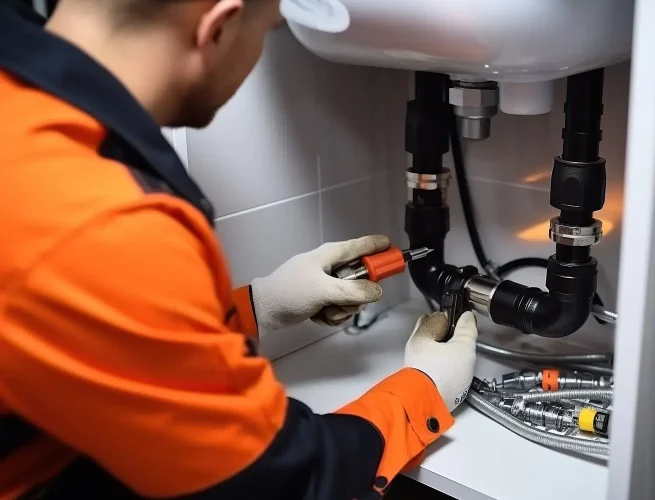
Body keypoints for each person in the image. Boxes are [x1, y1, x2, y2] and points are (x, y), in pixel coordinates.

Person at [0, 0, 479, 498]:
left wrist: (261, 303)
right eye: (269, 29)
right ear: (219, 27)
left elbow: (84, 326)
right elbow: (276, 481)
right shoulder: (104, 220)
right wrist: (423, 389)